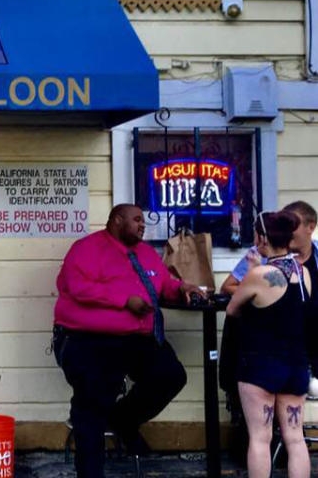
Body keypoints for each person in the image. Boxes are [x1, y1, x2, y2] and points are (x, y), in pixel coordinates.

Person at [52, 203, 201, 478]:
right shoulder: (86, 248)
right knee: (93, 398)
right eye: (136, 219)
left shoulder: (145, 253)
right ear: (117, 220)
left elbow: (163, 283)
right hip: (88, 339)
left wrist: (183, 288)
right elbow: (77, 286)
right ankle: (90, 472)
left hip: (136, 338)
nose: (142, 224)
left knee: (170, 375)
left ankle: (122, 419)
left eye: (143, 220)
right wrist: (123, 301)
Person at [227, 210, 312, 478]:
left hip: (260, 363)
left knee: (260, 438)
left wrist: (252, 270)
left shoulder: (261, 274)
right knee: (295, 439)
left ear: (262, 238)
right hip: (296, 364)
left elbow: (232, 309)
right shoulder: (304, 272)